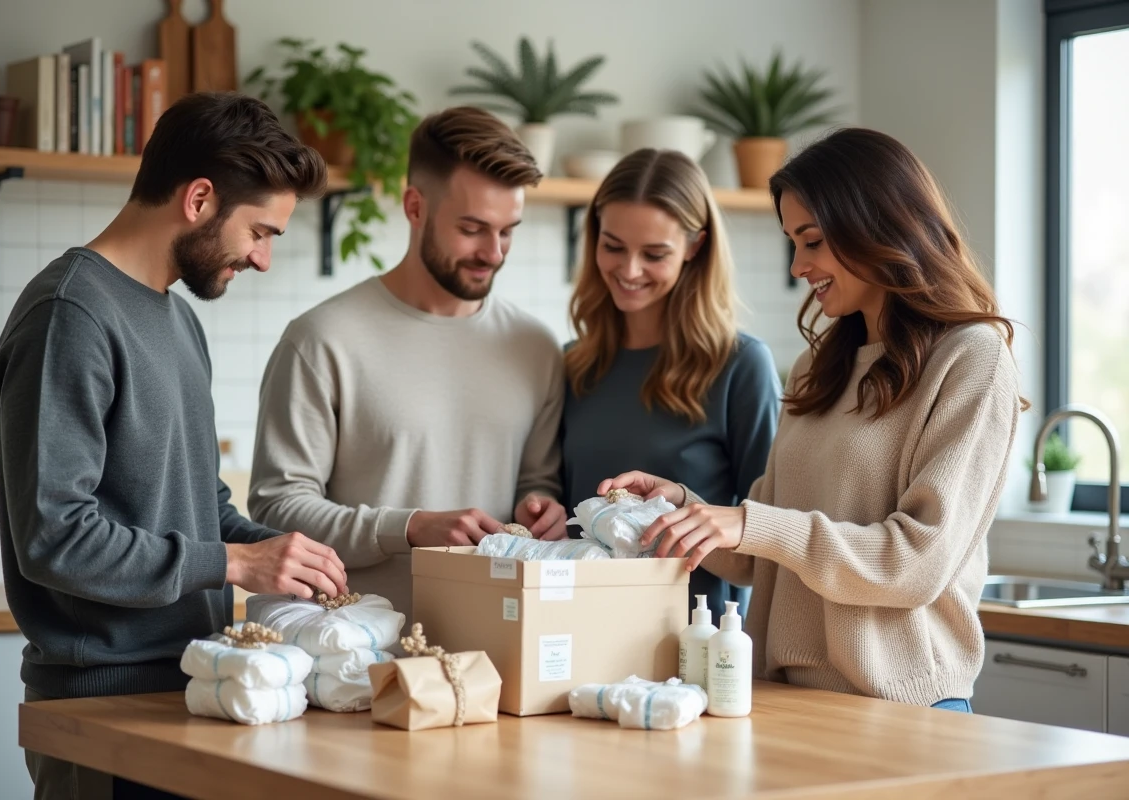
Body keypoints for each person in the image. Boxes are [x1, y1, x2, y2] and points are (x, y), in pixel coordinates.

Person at [0, 92, 348, 800]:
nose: (265, 258)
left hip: (190, 690)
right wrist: (236, 562)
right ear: (200, 199)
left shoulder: (179, 323)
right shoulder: (70, 315)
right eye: (260, 232)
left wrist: (279, 553)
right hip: (101, 709)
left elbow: (199, 505)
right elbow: (56, 539)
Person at [599, 128, 1025, 712]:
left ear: (876, 226)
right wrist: (681, 506)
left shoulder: (970, 357)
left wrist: (749, 523)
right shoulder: (816, 368)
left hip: (903, 708)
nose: (799, 265)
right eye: (792, 243)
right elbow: (759, 558)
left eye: (813, 241)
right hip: (789, 700)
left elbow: (917, 563)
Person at [249, 106, 566, 621]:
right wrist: (409, 526)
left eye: (509, 231)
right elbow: (277, 508)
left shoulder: (536, 347)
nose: (494, 252)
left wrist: (542, 509)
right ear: (414, 207)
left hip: (498, 653)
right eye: (472, 228)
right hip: (354, 661)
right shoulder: (322, 339)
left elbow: (538, 483)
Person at [561, 149, 781, 623]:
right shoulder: (574, 365)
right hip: (572, 629)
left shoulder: (742, 367)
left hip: (693, 644)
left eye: (655, 254)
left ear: (695, 247)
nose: (630, 270)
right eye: (613, 246)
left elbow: (770, 535)